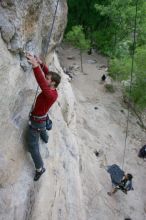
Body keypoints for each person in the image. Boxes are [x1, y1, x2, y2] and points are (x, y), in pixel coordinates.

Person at [26, 54, 61, 181]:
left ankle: (40, 168)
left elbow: (42, 82)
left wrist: (35, 66)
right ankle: (45, 138)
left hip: (36, 122)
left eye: (48, 79)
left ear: (53, 83)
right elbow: (47, 75)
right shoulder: (54, 89)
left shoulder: (50, 94)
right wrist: (41, 64)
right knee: (42, 130)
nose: (46, 78)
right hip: (42, 119)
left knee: (32, 145)